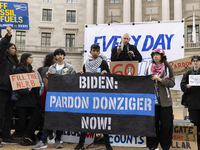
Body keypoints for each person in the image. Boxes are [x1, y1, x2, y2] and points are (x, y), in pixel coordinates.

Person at [32, 48, 76, 150]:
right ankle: (43, 141)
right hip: (53, 96)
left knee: (60, 118)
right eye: (58, 54)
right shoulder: (51, 68)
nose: (60, 56)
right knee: (48, 118)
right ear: (55, 57)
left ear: (64, 56)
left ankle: (58, 139)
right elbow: (47, 81)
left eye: (61, 54)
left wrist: (67, 78)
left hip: (64, 96)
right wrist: (48, 76)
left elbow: (74, 80)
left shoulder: (70, 67)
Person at [74, 44, 112, 150]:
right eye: (93, 50)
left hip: (100, 96)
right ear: (90, 52)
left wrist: (106, 73)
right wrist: (81, 74)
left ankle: (108, 144)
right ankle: (81, 143)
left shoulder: (103, 62)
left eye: (97, 51)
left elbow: (109, 77)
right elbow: (84, 79)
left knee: (103, 120)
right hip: (89, 96)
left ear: (99, 52)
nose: (95, 52)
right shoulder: (86, 64)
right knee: (86, 119)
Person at [146, 48, 175, 150]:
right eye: (154, 55)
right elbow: (145, 81)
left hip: (165, 102)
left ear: (162, 56)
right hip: (152, 102)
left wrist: (160, 79)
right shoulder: (149, 67)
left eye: (158, 55)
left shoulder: (168, 68)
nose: (155, 56)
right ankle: (153, 146)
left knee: (166, 125)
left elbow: (171, 83)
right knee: (152, 125)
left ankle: (165, 145)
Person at [14, 52, 43, 146]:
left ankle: (27, 135)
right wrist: (26, 90)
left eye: (32, 57)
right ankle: (25, 137)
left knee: (36, 114)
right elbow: (16, 86)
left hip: (31, 99)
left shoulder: (31, 69)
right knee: (22, 119)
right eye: (30, 57)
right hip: (23, 99)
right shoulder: (19, 70)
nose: (32, 59)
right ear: (25, 58)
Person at [0, 26, 19, 145]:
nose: (15, 50)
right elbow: (2, 46)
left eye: (15, 48)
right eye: (13, 48)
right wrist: (8, 35)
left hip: (11, 91)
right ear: (7, 49)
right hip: (2, 89)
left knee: (8, 115)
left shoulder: (14, 61)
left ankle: (6, 137)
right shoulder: (2, 58)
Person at [181, 55, 200, 149]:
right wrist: (187, 86)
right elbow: (182, 85)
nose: (195, 62)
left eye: (197, 61)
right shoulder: (188, 73)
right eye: (194, 61)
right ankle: (195, 143)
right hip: (192, 103)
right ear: (191, 62)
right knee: (195, 123)